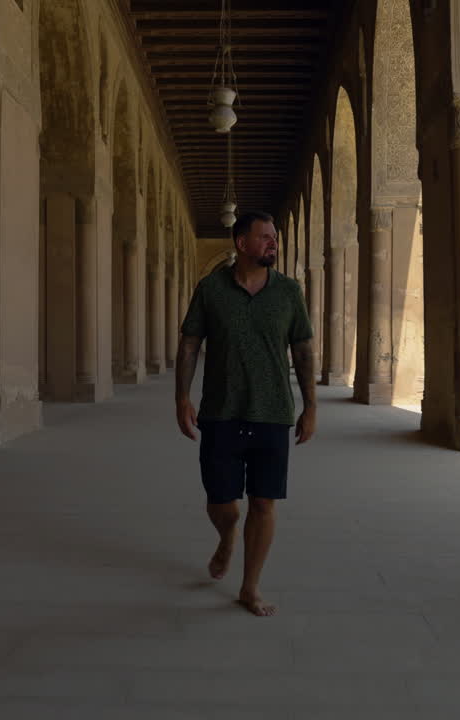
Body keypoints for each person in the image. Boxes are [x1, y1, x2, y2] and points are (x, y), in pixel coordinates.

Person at [174, 210, 316, 617]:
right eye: (265, 237)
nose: (273, 243)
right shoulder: (211, 289)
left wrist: (311, 406)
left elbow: (303, 349)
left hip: (273, 413)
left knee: (264, 503)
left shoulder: (289, 292)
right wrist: (182, 398)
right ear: (241, 243)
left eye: (274, 237)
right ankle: (226, 537)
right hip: (220, 412)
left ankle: (249, 587)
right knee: (221, 501)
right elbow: (190, 343)